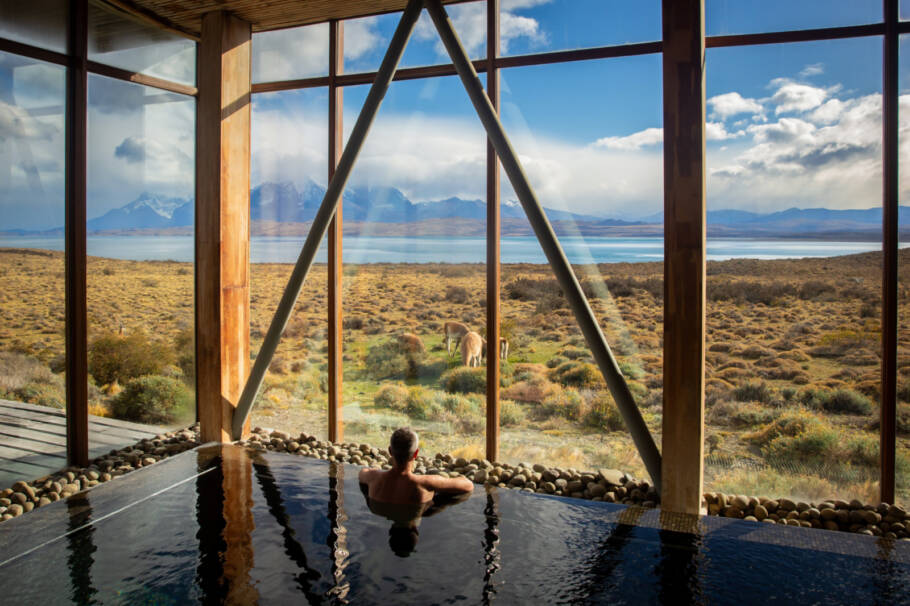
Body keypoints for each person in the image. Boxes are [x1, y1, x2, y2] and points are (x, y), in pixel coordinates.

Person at [358, 427, 474, 504]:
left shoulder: (373, 477)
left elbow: (362, 472)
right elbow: (468, 485)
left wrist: (378, 471)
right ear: (416, 454)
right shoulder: (426, 483)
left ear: (390, 451)